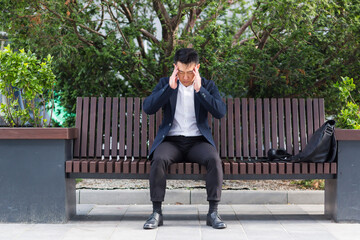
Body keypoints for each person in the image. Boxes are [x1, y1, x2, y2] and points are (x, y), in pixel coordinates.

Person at [142, 48, 227, 229]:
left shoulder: (207, 86)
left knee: (214, 159)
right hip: (171, 141)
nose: (186, 77)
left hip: (198, 142)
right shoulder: (167, 83)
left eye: (190, 72)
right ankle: (156, 212)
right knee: (158, 159)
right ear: (175, 68)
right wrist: (169, 88)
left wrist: (200, 90)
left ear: (197, 68)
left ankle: (213, 212)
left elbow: (220, 112)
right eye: (181, 72)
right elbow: (148, 108)